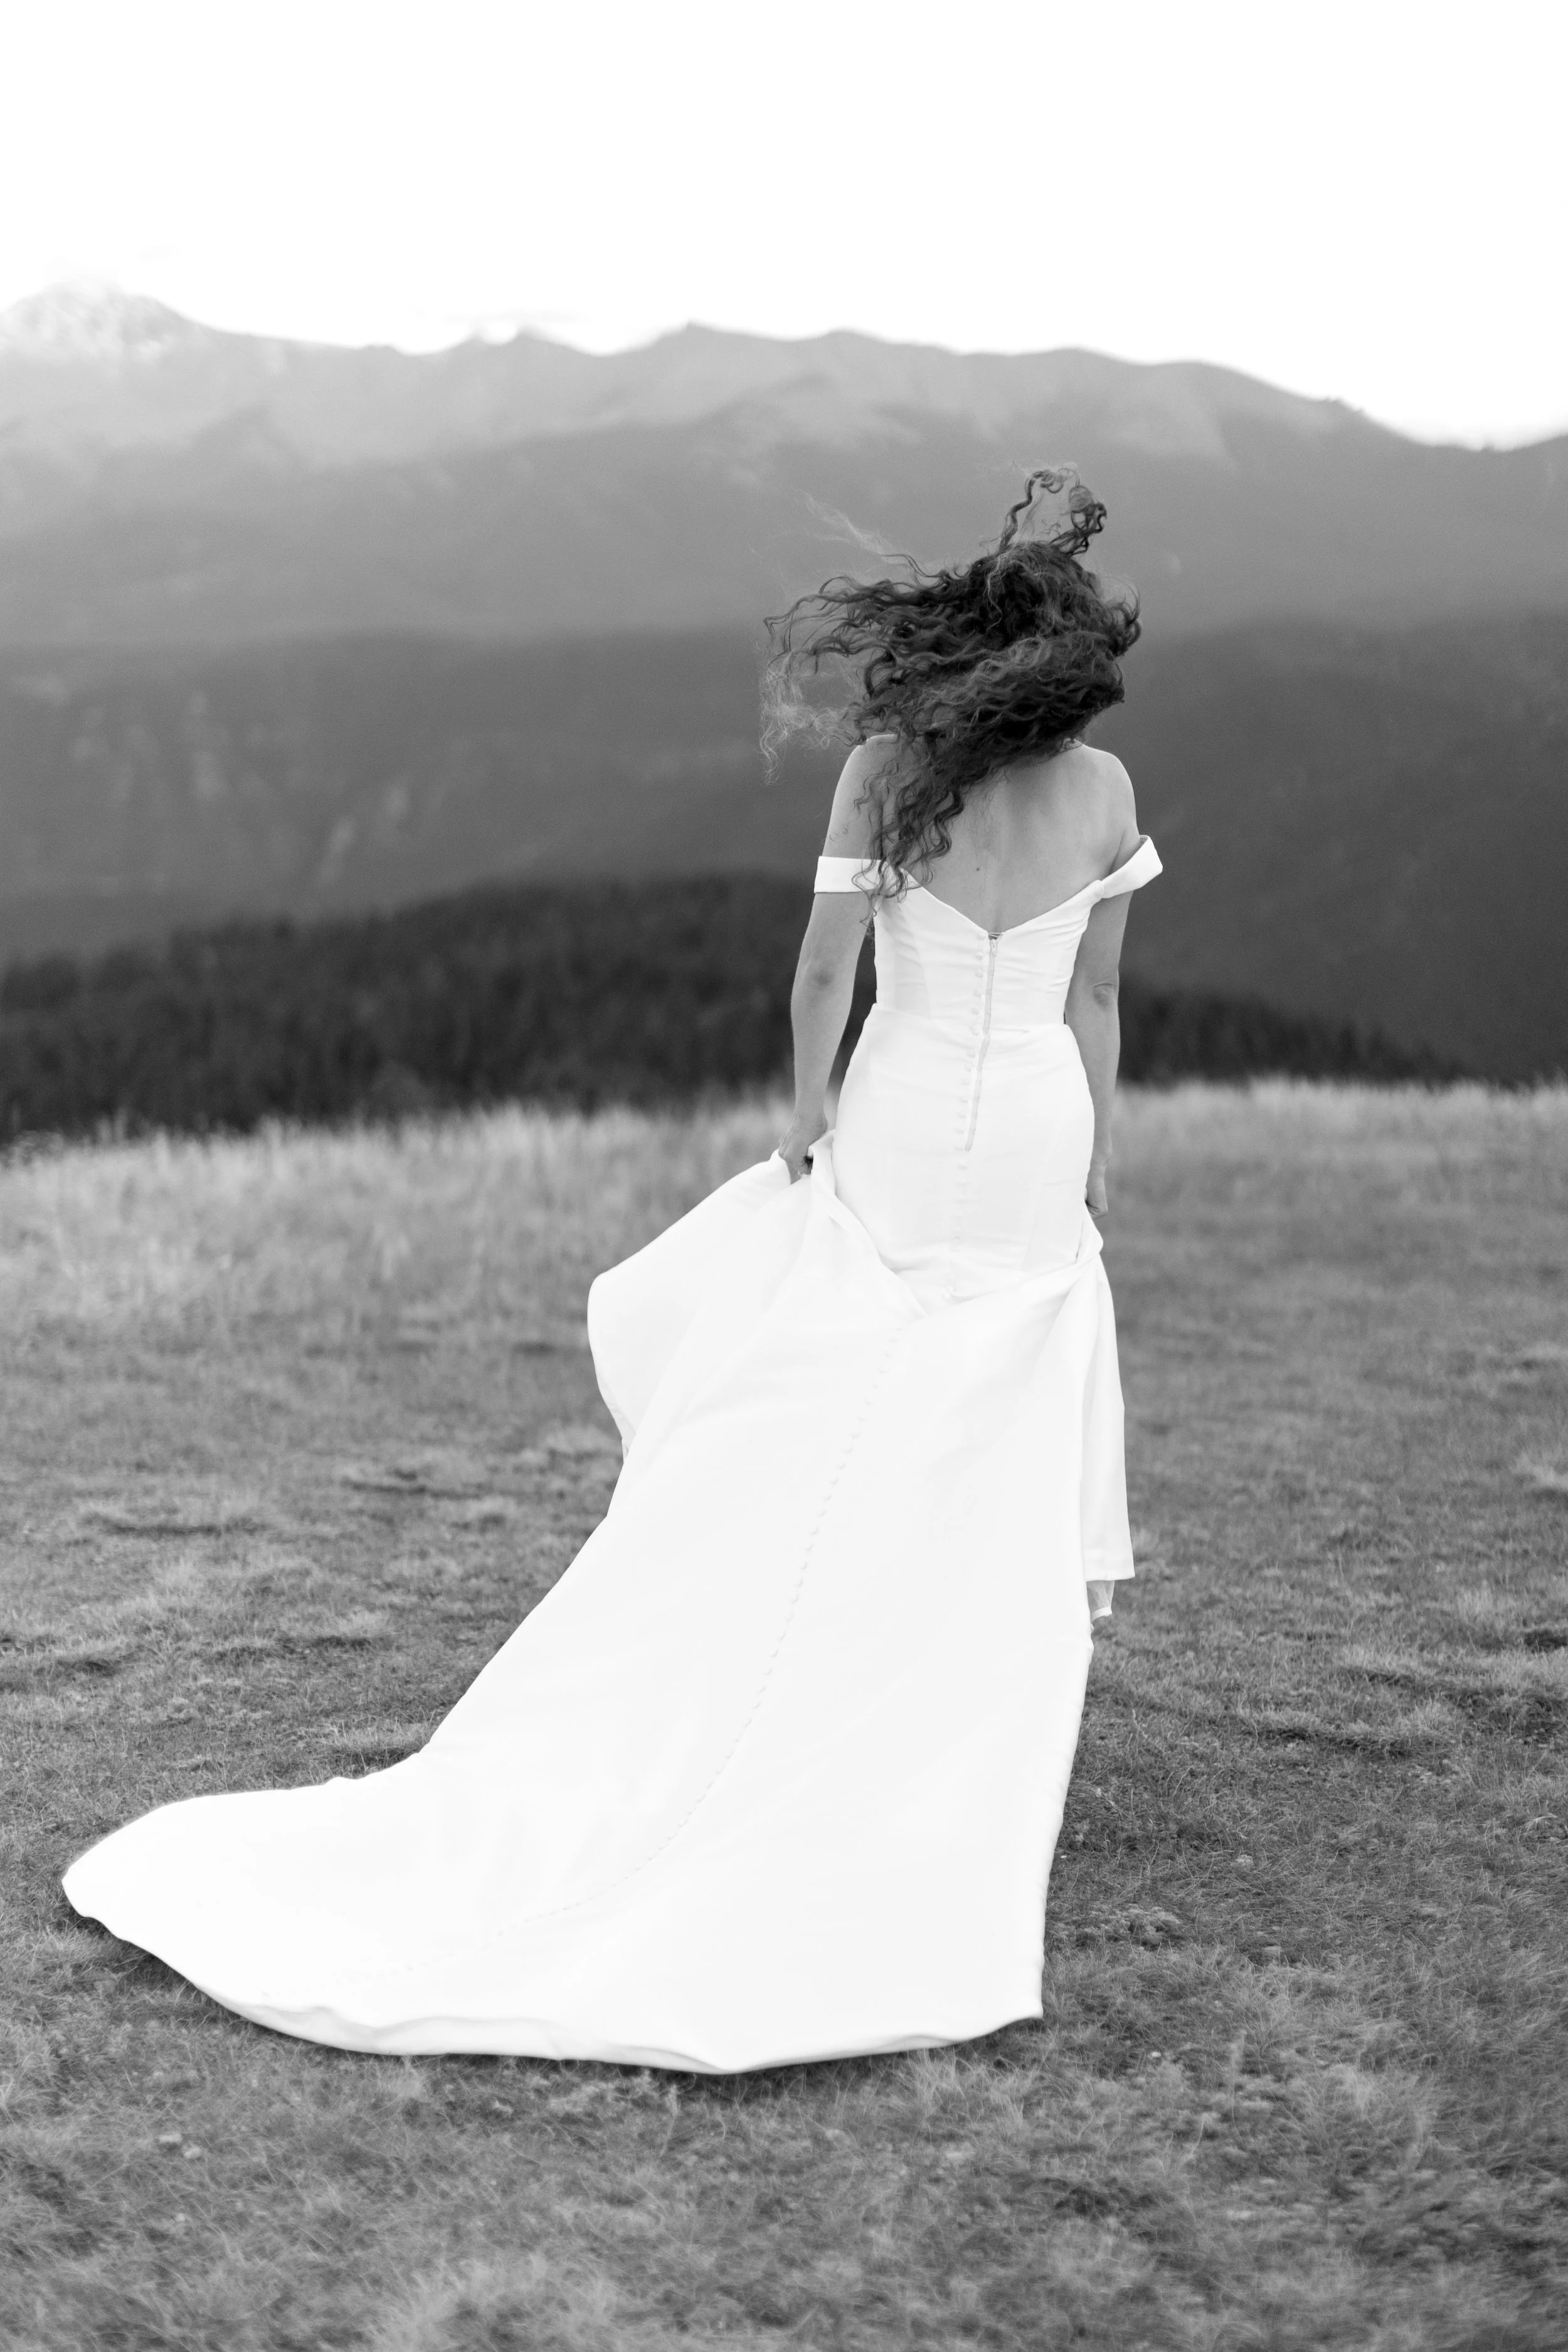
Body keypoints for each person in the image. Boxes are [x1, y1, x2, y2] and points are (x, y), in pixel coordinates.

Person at [63, 470, 1158, 2075]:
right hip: (1030, 1135)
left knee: (838, 1379)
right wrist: (1101, 1147)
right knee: (987, 1400)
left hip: (908, 1107)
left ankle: (795, 1647)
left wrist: (803, 1116)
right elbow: (1099, 999)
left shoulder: (885, 773)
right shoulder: (1109, 790)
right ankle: (945, 1713)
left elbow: (822, 975)